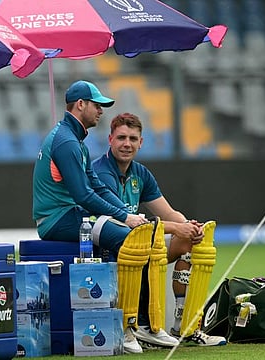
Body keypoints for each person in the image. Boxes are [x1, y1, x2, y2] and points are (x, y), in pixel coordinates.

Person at [32, 81, 178, 354]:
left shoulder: (74, 140)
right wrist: (124, 217)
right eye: (97, 105)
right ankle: (127, 327)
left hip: (70, 214)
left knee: (137, 237)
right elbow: (84, 197)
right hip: (59, 219)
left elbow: (96, 188)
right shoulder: (66, 142)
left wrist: (127, 216)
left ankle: (145, 326)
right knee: (132, 242)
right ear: (80, 105)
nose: (100, 111)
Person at [92, 112, 227, 347]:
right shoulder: (102, 171)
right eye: (121, 137)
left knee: (189, 243)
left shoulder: (140, 173)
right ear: (110, 139)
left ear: (141, 142)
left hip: (139, 246)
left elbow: (168, 212)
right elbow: (126, 222)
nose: (127, 144)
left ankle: (182, 326)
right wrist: (176, 227)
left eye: (133, 139)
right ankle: (136, 325)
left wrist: (188, 227)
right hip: (109, 250)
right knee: (144, 244)